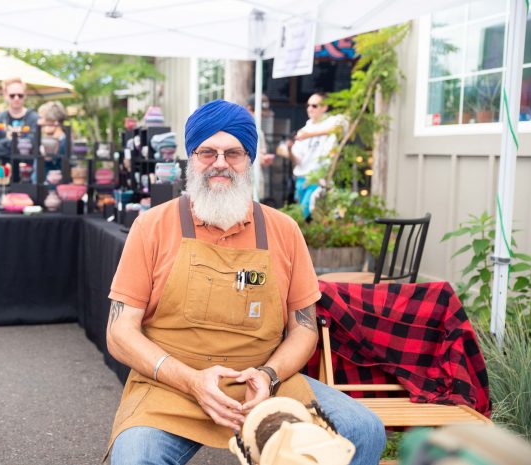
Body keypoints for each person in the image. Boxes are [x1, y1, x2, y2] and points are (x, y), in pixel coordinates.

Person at [105, 99, 385, 465]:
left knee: (364, 430)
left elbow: (303, 330)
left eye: (233, 153)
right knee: (136, 457)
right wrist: (190, 380)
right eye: (207, 152)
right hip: (172, 388)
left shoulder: (284, 230)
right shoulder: (152, 227)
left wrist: (269, 376)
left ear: (249, 160)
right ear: (191, 158)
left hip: (265, 388)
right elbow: (119, 332)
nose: (220, 163)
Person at [281, 92, 347, 219]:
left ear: (325, 107)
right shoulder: (305, 129)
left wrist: (310, 135)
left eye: (314, 105)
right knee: (302, 214)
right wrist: (289, 150)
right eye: (308, 105)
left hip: (319, 177)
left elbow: (339, 129)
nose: (310, 108)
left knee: (305, 213)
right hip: (302, 179)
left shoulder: (333, 120)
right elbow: (297, 159)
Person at [0, 77, 39, 163]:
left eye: (20, 95)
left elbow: (33, 146)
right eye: (12, 95)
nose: (16, 98)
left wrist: (5, 142)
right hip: (2, 171)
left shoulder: (34, 118)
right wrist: (15, 141)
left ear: (25, 95)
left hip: (27, 171)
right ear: (5, 95)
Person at [245, 94, 276, 203]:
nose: (261, 116)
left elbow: (261, 154)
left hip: (256, 180)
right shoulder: (239, 130)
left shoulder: (259, 131)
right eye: (258, 112)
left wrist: (263, 158)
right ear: (249, 109)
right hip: (243, 182)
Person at [37, 101, 68, 173]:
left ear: (55, 122)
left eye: (42, 118)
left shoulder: (64, 142)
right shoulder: (47, 140)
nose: (39, 122)